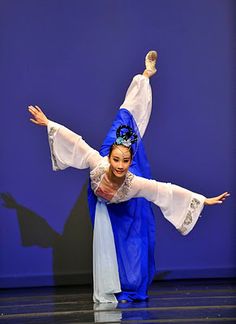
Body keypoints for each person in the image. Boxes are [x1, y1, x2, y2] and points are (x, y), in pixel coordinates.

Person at [28, 51, 229, 303]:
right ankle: (144, 77)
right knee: (124, 120)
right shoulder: (99, 163)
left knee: (127, 120)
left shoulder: (135, 183)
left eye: (125, 162)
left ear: (130, 163)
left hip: (122, 189)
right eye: (117, 161)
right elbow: (75, 142)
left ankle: (145, 76)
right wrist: (48, 123)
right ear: (110, 158)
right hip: (101, 194)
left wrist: (202, 200)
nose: (121, 166)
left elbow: (165, 191)